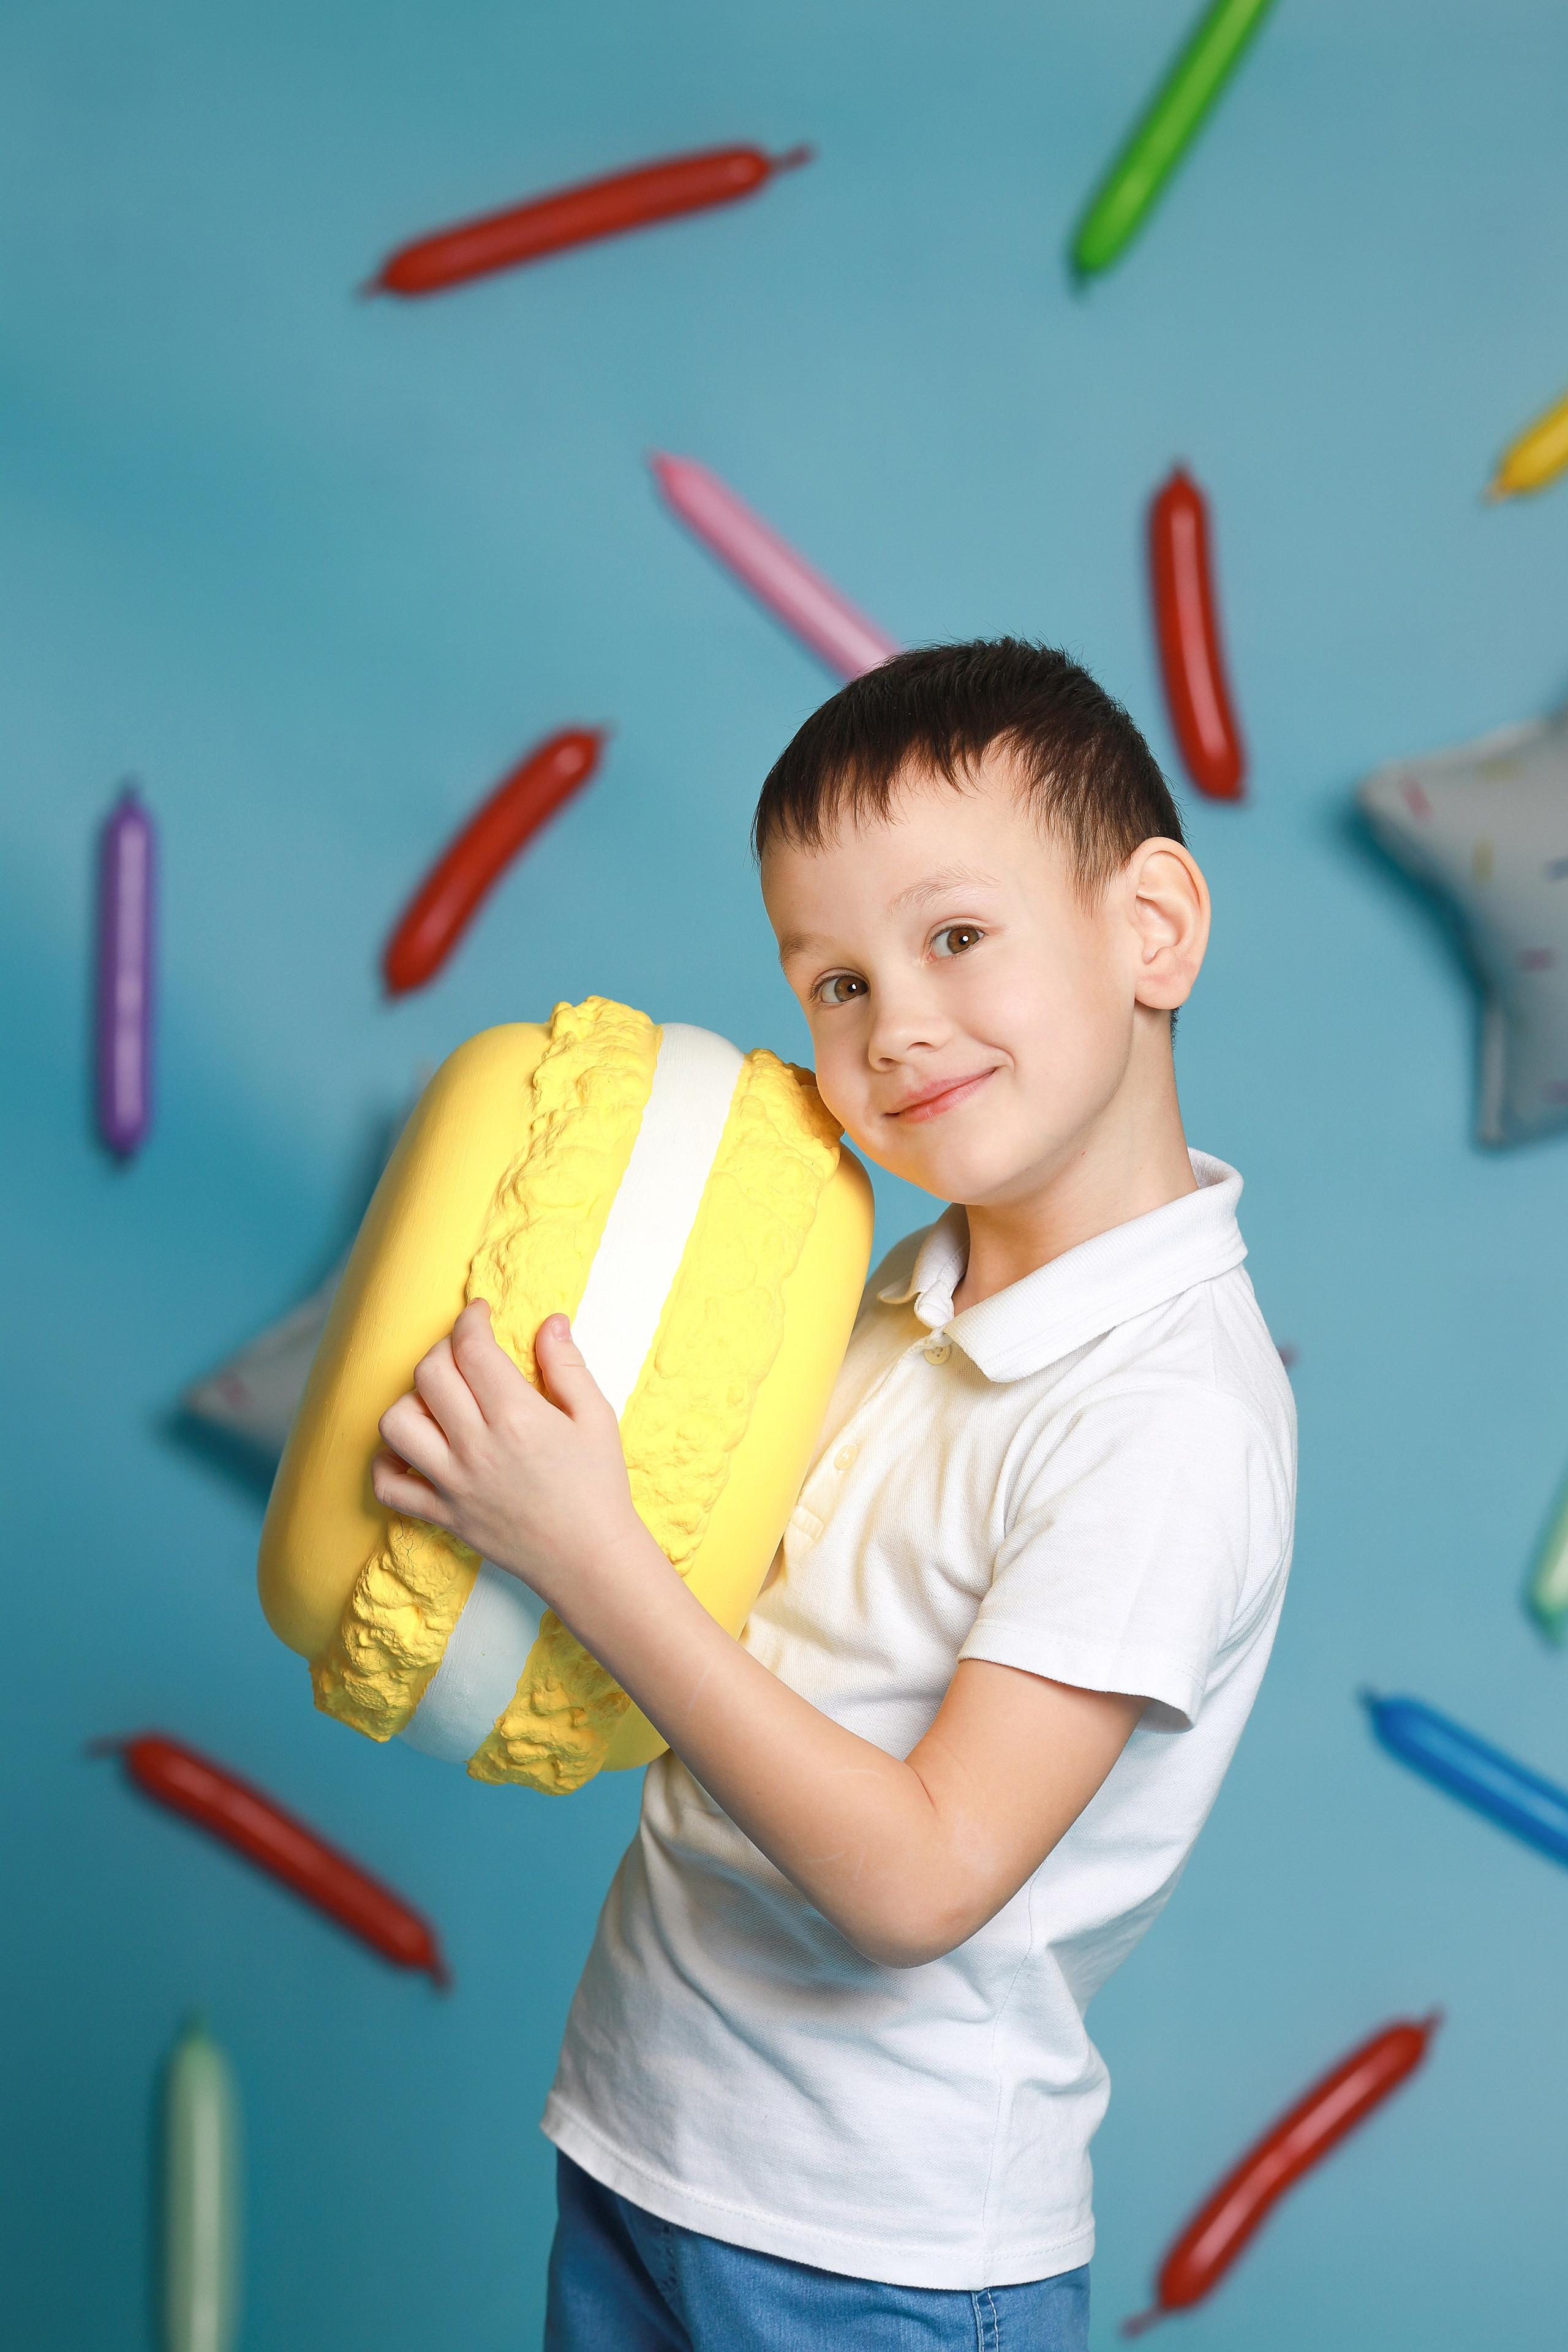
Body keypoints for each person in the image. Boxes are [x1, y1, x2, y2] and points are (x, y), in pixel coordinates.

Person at [372, 641, 1297, 2351]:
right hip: (651, 2144)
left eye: (954, 938)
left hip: (875, 2251)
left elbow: (923, 1880)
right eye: (835, 983)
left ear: (1150, 928)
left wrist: (584, 1546)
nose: (894, 1029)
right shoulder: (894, 1289)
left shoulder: (1167, 1421)